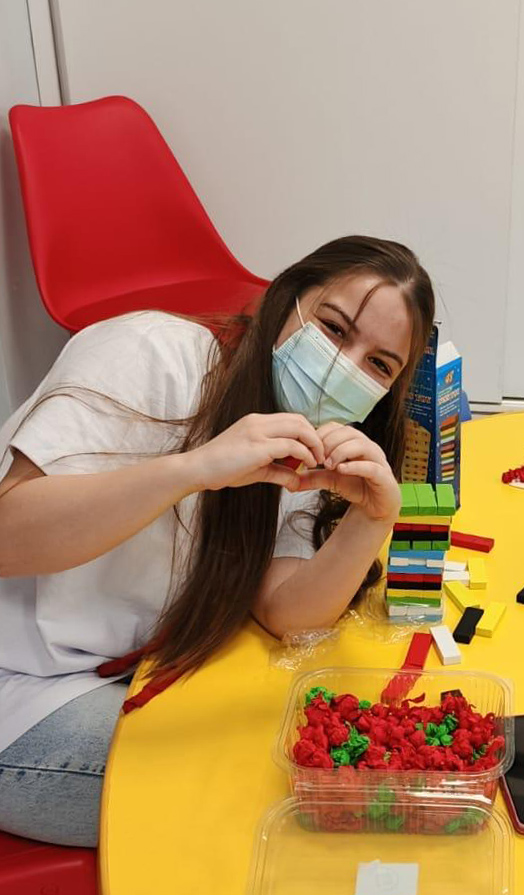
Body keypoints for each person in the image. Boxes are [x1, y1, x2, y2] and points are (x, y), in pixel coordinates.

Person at [0, 236, 434, 846]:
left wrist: (372, 519)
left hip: (113, 676)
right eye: (335, 329)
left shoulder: (305, 435)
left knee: (328, 761)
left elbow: (285, 611)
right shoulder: (149, 353)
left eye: (379, 365)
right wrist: (195, 469)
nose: (345, 368)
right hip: (21, 686)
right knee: (274, 791)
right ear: (286, 299)